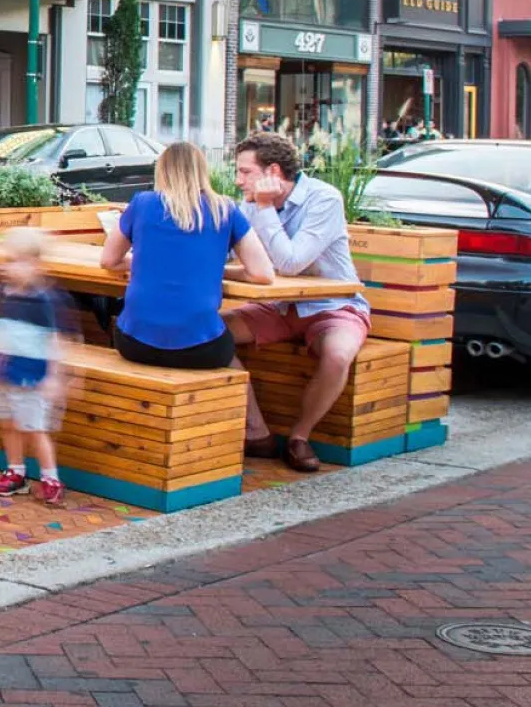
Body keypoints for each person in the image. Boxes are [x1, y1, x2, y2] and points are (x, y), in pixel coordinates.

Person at [225, 132, 372, 473]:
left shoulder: (324, 199)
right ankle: (257, 432)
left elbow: (291, 262)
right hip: (278, 306)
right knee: (210, 333)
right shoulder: (247, 203)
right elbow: (235, 254)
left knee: (337, 355)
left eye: (245, 172)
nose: (238, 180)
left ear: (272, 172)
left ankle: (299, 438)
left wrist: (262, 208)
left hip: (334, 304)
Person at [100, 141, 275, 369]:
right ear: (202, 171)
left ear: (161, 170)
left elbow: (108, 260)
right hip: (200, 348)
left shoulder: (142, 203)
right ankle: (239, 405)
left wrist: (148, 262)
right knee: (232, 361)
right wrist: (216, 271)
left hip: (135, 344)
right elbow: (263, 274)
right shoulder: (224, 209)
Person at [0, 229, 74, 507]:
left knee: (35, 428)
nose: (8, 267)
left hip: (32, 374)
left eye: (17, 260)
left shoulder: (44, 299)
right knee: (8, 424)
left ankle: (50, 477)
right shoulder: (2, 293)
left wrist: (55, 375)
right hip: (5, 372)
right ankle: (16, 471)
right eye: (8, 260)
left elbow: (55, 339)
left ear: (35, 264)